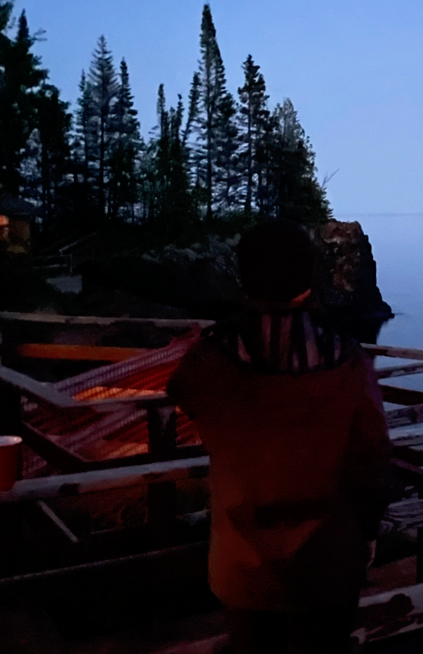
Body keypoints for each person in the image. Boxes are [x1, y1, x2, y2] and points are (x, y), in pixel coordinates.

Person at [168, 219, 392, 654]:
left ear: (244, 275)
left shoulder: (213, 355)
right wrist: (368, 532)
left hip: (242, 562)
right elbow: (372, 457)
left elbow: (185, 394)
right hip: (328, 561)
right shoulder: (345, 356)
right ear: (309, 276)